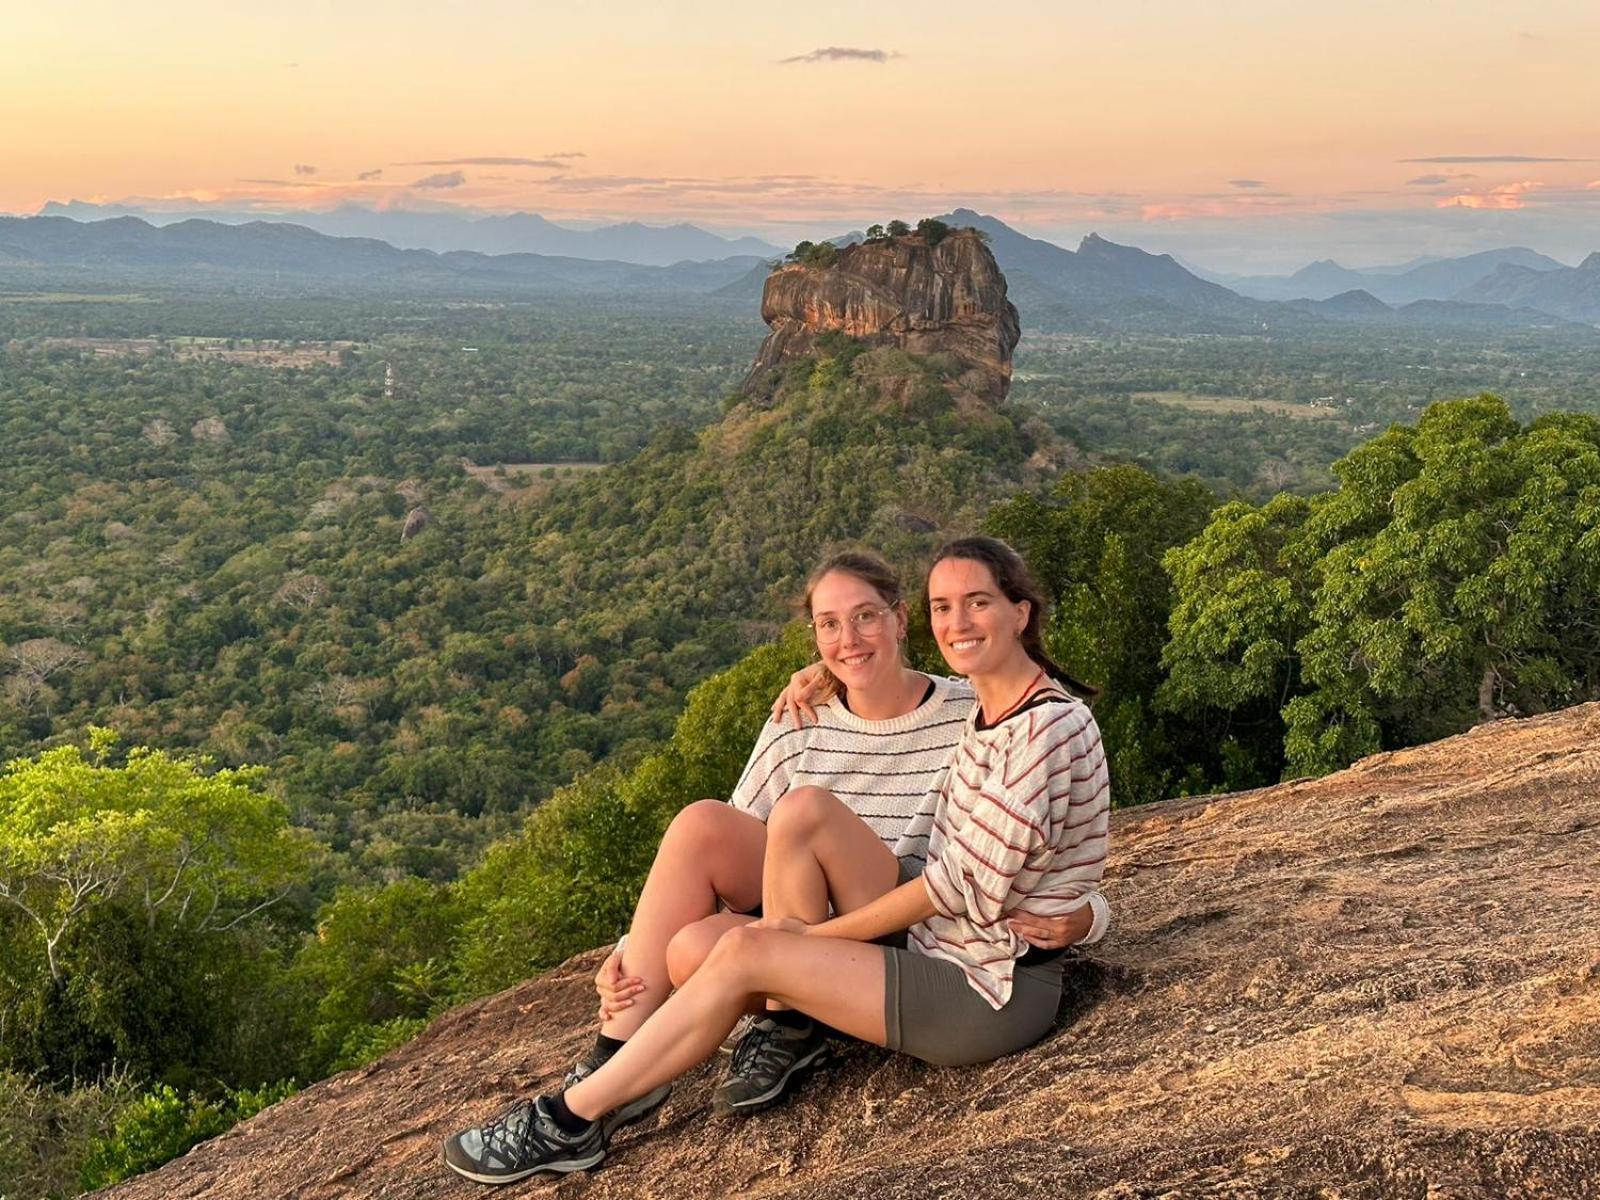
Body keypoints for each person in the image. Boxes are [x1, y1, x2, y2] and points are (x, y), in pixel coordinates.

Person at [443, 537, 1112, 1184]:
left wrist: (1086, 919)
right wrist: (634, 942)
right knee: (766, 833)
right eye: (946, 607)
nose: (958, 623)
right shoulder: (984, 709)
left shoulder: (1001, 713)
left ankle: (569, 1120)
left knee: (737, 955)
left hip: (983, 979)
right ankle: (628, 1050)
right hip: (927, 935)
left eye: (977, 603)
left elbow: (983, 874)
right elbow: (1056, 846)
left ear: (1018, 612)